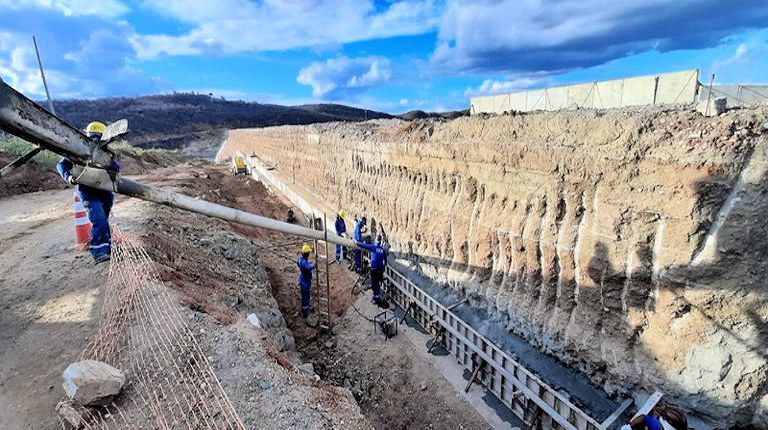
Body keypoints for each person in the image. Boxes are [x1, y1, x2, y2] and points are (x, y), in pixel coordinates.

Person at [57, 121, 120, 264]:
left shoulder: (107, 153)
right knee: (99, 220)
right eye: (93, 138)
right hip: (88, 193)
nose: (95, 141)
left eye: (98, 138)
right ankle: (99, 253)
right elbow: (61, 165)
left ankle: (107, 247)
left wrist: (109, 163)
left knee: (104, 220)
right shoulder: (78, 151)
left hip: (105, 193)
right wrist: (69, 177)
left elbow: (116, 168)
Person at [356, 235, 388, 307]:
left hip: (374, 270)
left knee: (374, 284)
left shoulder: (373, 247)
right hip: (380, 270)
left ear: (376, 241)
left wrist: (356, 242)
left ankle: (376, 299)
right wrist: (384, 265)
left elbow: (364, 245)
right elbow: (385, 260)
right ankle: (376, 297)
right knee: (378, 283)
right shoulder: (382, 249)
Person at [296, 244, 316, 318]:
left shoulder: (300, 259)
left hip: (303, 278)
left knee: (306, 296)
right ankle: (305, 313)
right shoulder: (304, 263)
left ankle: (305, 309)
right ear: (307, 253)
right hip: (305, 282)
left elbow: (297, 262)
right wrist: (314, 266)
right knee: (306, 297)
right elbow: (308, 267)